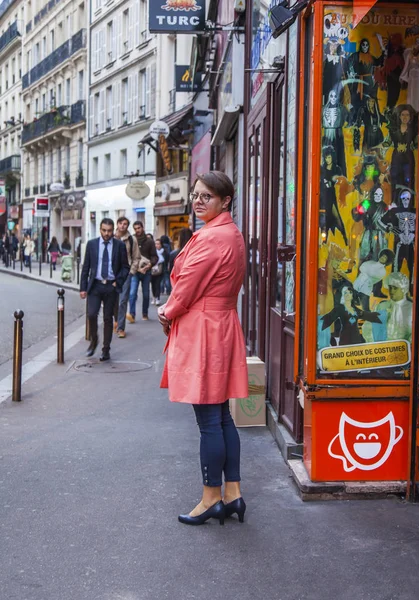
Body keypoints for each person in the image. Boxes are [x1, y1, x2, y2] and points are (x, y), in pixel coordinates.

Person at [158, 171, 248, 526]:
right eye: (196, 195)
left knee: (209, 420)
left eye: (206, 196)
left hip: (204, 333)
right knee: (222, 416)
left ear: (225, 200)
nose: (198, 201)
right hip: (220, 327)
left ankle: (211, 496)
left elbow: (185, 289)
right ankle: (233, 492)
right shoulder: (231, 233)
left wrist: (166, 313)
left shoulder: (212, 238)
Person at [80, 218, 129, 361]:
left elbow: (125, 267)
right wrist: (83, 288)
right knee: (92, 314)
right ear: (100, 230)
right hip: (95, 285)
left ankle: (106, 349)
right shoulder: (92, 245)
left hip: (111, 286)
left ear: (113, 230)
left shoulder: (119, 246)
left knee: (108, 318)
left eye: (109, 231)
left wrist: (117, 282)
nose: (106, 234)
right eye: (104, 230)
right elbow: (86, 268)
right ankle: (94, 340)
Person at [114, 216, 141, 338]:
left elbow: (136, 257)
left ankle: (120, 328)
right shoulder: (110, 237)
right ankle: (114, 321)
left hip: (126, 273)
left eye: (125, 224)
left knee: (123, 300)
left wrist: (131, 272)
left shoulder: (131, 239)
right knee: (112, 300)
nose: (123, 226)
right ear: (117, 224)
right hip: (111, 273)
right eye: (121, 223)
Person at [127, 221, 158, 323]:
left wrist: (149, 265)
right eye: (135, 228)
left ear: (143, 228)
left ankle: (145, 313)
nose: (137, 230)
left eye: (139, 228)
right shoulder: (131, 240)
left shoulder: (149, 241)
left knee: (145, 294)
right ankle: (132, 314)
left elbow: (154, 256)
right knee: (132, 293)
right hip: (135, 271)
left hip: (146, 271)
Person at [151, 239, 165, 305]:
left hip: (160, 271)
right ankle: (154, 297)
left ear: (161, 245)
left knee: (158, 284)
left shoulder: (164, 252)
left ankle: (157, 298)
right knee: (153, 285)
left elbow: (166, 261)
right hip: (152, 271)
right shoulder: (152, 252)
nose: (157, 245)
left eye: (158, 244)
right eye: (156, 244)